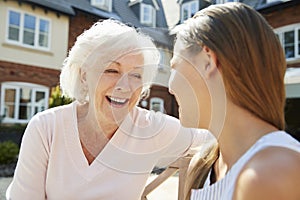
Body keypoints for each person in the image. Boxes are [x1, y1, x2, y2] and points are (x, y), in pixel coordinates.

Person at [6, 19, 214, 200]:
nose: (125, 86)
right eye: (112, 70)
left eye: (136, 75)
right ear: (84, 75)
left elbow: (217, 138)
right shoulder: (45, 128)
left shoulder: (151, 128)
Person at [169, 2, 300, 200]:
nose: (170, 86)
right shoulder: (203, 166)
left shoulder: (271, 172)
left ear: (207, 62)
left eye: (175, 66)